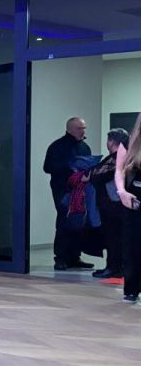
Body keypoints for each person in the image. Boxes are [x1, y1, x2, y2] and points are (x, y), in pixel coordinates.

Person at [44, 117, 94, 270]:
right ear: (70, 129)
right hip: (63, 189)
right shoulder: (57, 146)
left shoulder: (85, 147)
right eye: (79, 128)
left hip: (79, 189)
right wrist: (69, 166)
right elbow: (47, 167)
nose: (83, 131)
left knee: (78, 221)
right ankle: (60, 258)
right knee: (64, 221)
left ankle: (74, 257)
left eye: (84, 128)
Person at [91, 129, 130, 279]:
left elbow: (97, 176)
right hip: (120, 204)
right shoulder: (128, 158)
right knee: (119, 237)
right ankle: (118, 267)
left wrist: (90, 174)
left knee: (113, 237)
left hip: (112, 204)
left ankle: (114, 267)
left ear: (112, 141)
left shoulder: (115, 159)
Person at [114, 116, 141, 303]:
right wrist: (121, 191)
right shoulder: (129, 142)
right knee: (132, 245)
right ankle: (131, 289)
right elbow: (119, 170)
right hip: (133, 200)